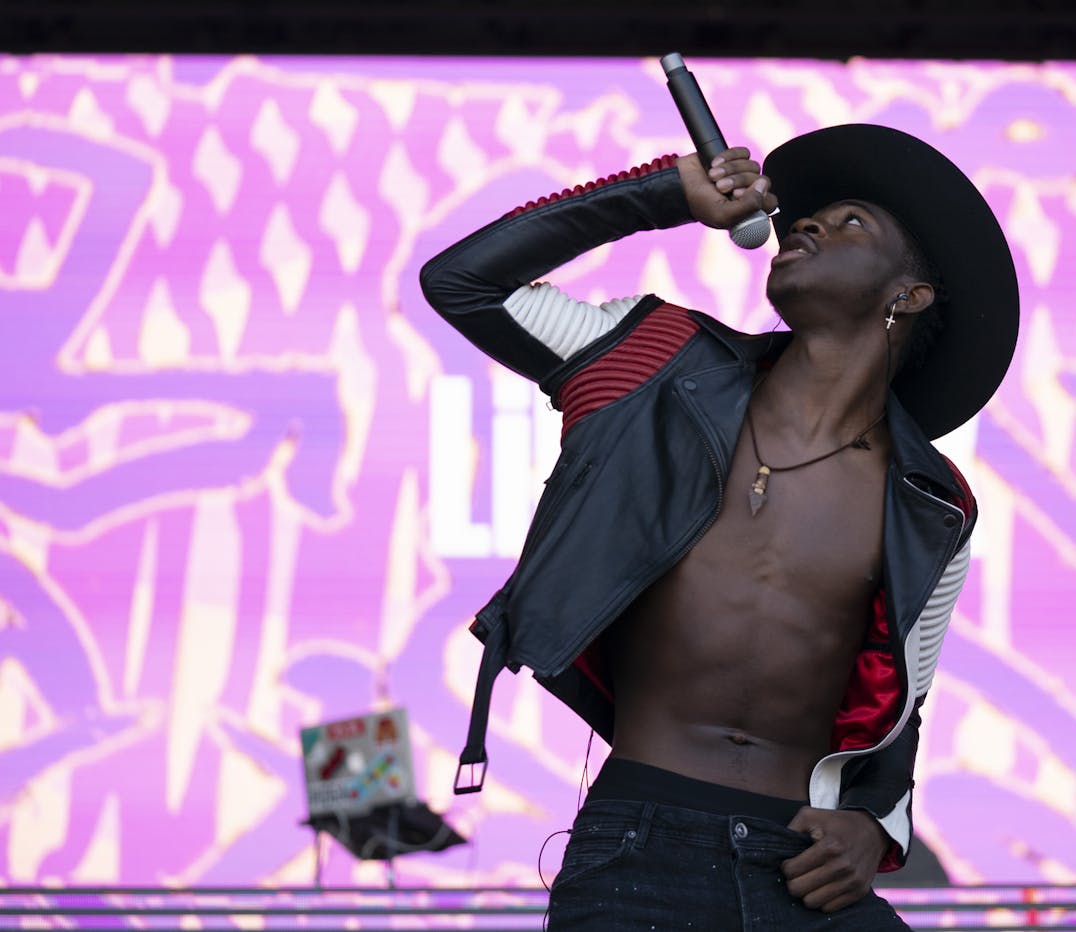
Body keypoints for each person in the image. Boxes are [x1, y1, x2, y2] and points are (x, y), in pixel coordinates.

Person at [420, 123, 1018, 929]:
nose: (804, 223)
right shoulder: (650, 361)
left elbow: (903, 700)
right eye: (807, 218)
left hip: (801, 868)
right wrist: (664, 194)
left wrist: (870, 825)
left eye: (849, 223)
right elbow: (462, 283)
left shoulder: (933, 502)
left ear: (906, 297)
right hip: (637, 848)